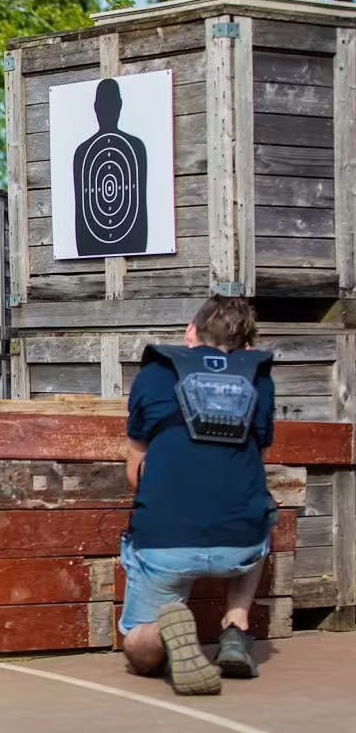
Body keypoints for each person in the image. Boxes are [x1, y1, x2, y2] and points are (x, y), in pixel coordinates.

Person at [120, 295, 277, 696]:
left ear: (191, 332)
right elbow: (255, 462)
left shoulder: (154, 374)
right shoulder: (258, 378)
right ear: (247, 347)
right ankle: (235, 624)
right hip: (239, 542)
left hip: (166, 541)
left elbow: (134, 471)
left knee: (139, 648)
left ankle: (162, 633)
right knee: (262, 513)